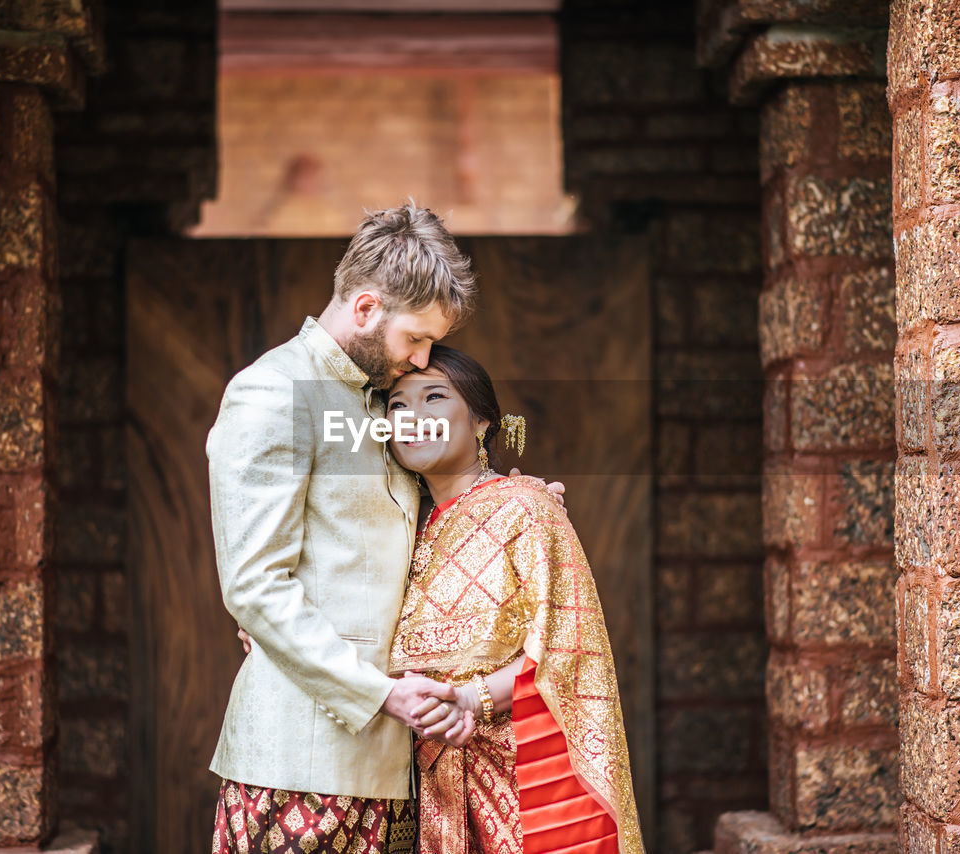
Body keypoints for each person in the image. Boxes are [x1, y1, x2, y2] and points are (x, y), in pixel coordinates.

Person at [207, 202, 562, 854]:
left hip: (395, 770)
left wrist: (512, 499)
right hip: (299, 763)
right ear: (366, 309)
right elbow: (255, 585)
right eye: (415, 339)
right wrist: (381, 694)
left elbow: (423, 526)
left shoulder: (380, 400)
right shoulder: (273, 393)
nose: (423, 357)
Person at [383, 345, 644, 854]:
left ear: (481, 422)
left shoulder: (525, 509)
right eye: (396, 405)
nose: (412, 418)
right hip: (420, 791)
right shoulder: (397, 532)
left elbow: (567, 653)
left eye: (434, 397)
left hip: (517, 788)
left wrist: (469, 699)